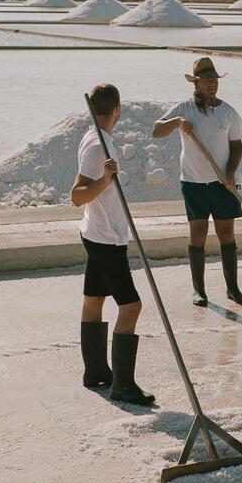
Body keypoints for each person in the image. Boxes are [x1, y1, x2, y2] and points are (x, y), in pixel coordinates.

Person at [71, 83, 154, 406]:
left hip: (97, 232)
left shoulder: (95, 138)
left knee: (94, 298)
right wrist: (105, 181)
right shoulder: (97, 145)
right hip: (106, 238)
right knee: (131, 306)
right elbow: (77, 196)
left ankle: (95, 372)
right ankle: (123, 385)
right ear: (117, 110)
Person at [153, 57, 242, 307]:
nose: (212, 85)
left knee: (226, 234)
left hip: (223, 184)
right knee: (198, 235)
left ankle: (232, 289)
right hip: (194, 183)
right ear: (196, 83)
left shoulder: (228, 112)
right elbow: (156, 130)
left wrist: (230, 172)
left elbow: (237, 145)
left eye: (215, 81)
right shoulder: (185, 109)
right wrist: (176, 123)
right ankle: (199, 291)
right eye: (207, 81)